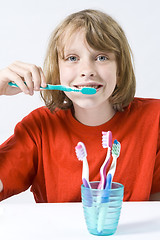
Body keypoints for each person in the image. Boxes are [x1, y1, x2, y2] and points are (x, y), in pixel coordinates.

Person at [0, 9, 159, 202]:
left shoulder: (154, 119)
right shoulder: (40, 128)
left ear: (119, 70)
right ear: (57, 71)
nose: (87, 71)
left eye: (101, 57)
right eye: (72, 58)